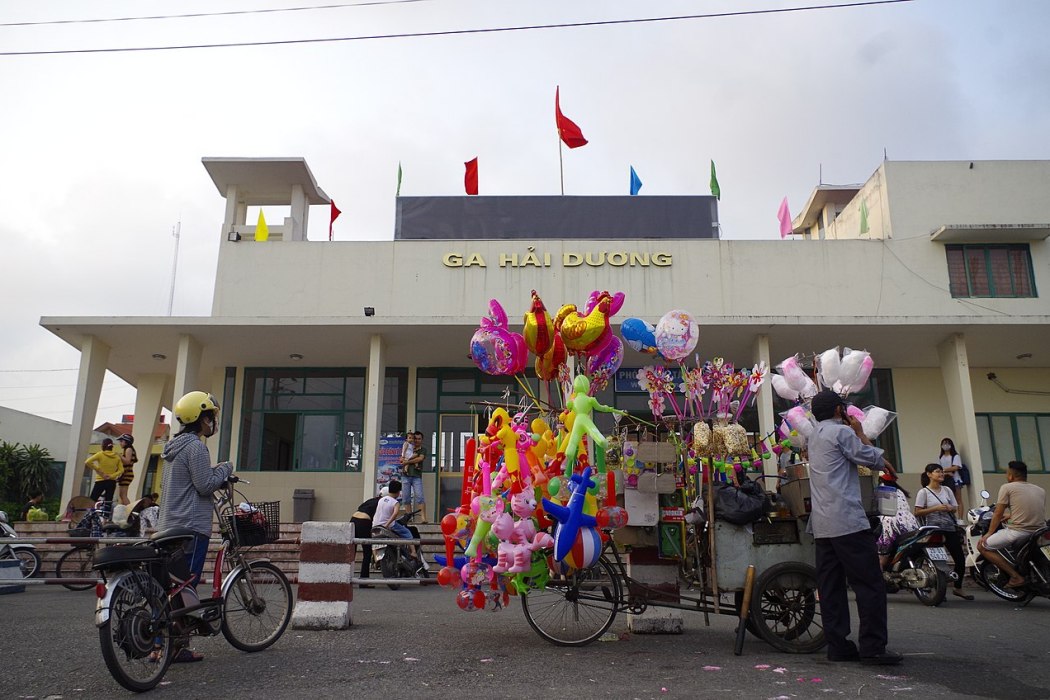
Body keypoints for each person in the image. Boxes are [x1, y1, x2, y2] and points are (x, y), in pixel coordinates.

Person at [807, 388, 901, 666]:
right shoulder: (842, 433)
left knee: (831, 587)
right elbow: (873, 460)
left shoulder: (813, 435)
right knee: (869, 584)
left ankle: (838, 646)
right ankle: (872, 647)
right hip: (847, 521)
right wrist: (859, 430)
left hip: (823, 525)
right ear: (839, 411)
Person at [159, 391, 235, 663]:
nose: (212, 422)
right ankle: (178, 647)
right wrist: (225, 469)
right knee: (185, 586)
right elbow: (204, 484)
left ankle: (161, 645)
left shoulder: (173, 448)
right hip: (190, 527)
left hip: (168, 524)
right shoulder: (195, 447)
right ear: (202, 419)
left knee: (169, 588)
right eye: (211, 416)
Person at [978, 460, 1047, 589]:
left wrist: (988, 533)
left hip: (1019, 532)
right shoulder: (1040, 490)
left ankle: (1016, 577)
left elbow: (998, 513)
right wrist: (1010, 516)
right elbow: (1030, 509)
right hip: (1040, 531)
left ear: (1011, 476)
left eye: (1006, 473)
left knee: (983, 546)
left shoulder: (1007, 487)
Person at [914, 463, 972, 600]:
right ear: (929, 474)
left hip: (949, 528)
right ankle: (938, 588)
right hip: (933, 530)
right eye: (937, 472)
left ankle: (958, 587)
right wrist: (936, 508)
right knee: (935, 560)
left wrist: (949, 508)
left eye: (941, 472)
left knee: (959, 559)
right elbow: (917, 512)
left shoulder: (947, 490)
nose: (940, 474)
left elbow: (955, 507)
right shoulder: (924, 492)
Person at [876, 475, 919, 569]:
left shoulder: (881, 489)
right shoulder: (899, 490)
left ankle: (880, 577)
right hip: (910, 522)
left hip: (891, 521)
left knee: (883, 553)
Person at [373, 480, 420, 560]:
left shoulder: (381, 500)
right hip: (388, 526)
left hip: (375, 525)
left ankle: (375, 557)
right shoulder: (395, 502)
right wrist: (387, 525)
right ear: (398, 492)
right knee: (407, 532)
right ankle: (413, 552)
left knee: (374, 542)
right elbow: (395, 514)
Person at [85, 438, 124, 521]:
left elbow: (87, 462)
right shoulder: (116, 457)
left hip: (100, 480)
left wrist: (99, 471)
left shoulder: (100, 454)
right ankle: (105, 520)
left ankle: (89, 517)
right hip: (111, 481)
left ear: (103, 445)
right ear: (112, 446)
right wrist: (112, 476)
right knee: (108, 500)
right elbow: (121, 470)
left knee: (93, 499)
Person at [350, 493, 382, 588]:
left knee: (351, 551)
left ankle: (345, 579)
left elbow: (360, 507)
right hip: (364, 521)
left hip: (353, 519)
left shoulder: (371, 500)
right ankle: (363, 582)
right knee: (367, 552)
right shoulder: (382, 503)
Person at [401, 431, 429, 522]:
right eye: (415, 438)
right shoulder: (409, 446)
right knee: (406, 498)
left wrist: (407, 462)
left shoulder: (422, 449)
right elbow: (402, 458)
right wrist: (403, 460)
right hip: (405, 476)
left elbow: (420, 458)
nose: (416, 440)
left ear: (422, 440)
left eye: (418, 439)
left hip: (416, 476)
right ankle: (409, 518)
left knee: (420, 497)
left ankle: (423, 518)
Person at [937, 438, 965, 518]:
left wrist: (944, 470)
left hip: (956, 480)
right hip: (944, 481)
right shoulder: (940, 457)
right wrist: (946, 473)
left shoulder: (955, 456)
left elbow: (956, 467)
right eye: (944, 443)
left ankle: (960, 518)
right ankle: (951, 517)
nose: (945, 445)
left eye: (947, 443)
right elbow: (938, 468)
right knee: (946, 500)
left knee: (958, 500)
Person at [116, 433, 138, 506]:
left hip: (126, 474)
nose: (120, 443)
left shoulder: (128, 449)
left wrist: (119, 455)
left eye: (121, 441)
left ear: (126, 442)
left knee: (123, 495)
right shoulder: (129, 449)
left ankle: (129, 511)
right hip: (126, 474)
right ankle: (123, 510)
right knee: (121, 495)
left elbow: (127, 461)